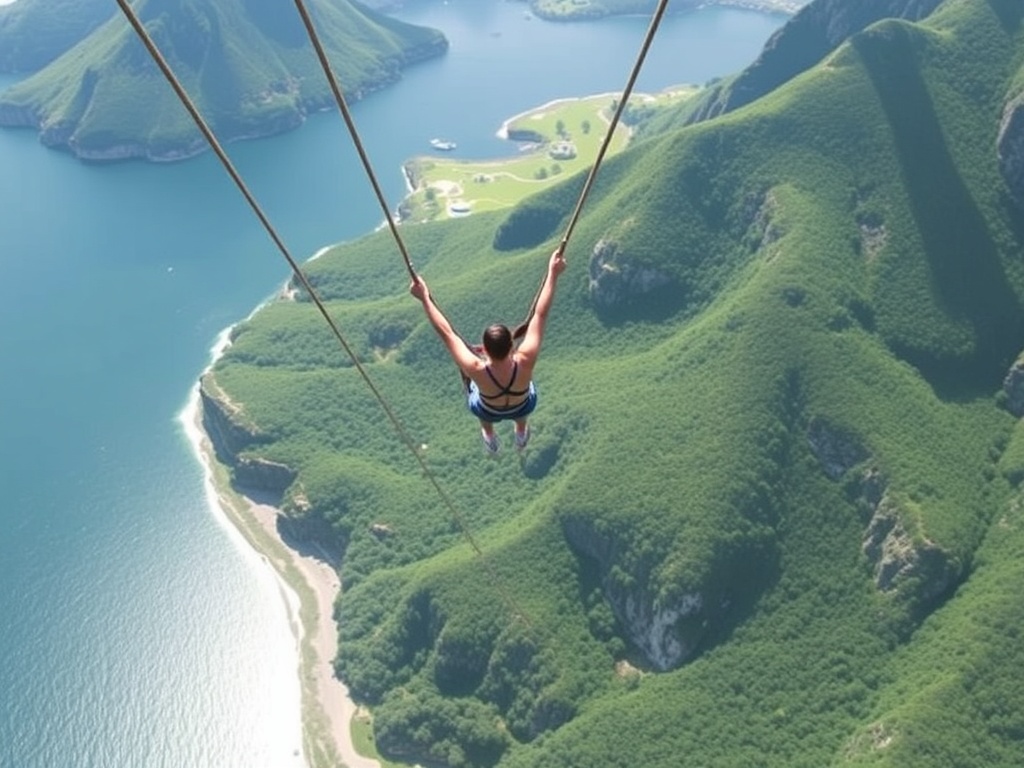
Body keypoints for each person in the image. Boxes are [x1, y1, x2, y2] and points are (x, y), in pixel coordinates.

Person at [410, 248, 566, 453]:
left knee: (480, 406)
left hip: (489, 409)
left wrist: (424, 298)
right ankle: (521, 432)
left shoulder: (475, 368)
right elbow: (540, 314)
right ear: (512, 345)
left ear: (483, 350)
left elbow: (447, 334)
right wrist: (553, 273)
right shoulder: (526, 358)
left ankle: (489, 436)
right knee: (523, 401)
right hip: (523, 404)